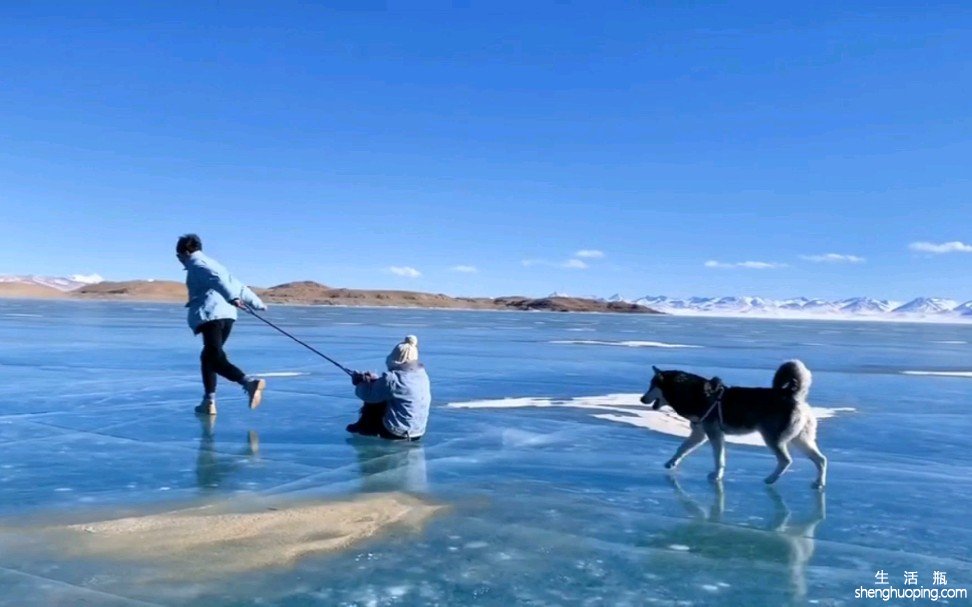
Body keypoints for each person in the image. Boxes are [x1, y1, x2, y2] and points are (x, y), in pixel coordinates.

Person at [176, 233, 267, 415]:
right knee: (209, 356)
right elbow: (238, 285)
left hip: (211, 315)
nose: (179, 260)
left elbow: (219, 281)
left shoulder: (197, 264)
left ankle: (248, 382)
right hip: (226, 316)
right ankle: (209, 401)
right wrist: (256, 303)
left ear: (185, 252)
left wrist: (232, 297)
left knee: (214, 357)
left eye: (178, 256)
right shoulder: (215, 264)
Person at [347, 335, 431, 441]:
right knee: (381, 391)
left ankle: (365, 428)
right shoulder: (422, 375)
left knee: (373, 397)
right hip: (417, 431)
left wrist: (360, 382)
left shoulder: (393, 379)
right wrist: (376, 380)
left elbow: (367, 394)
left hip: (396, 432)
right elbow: (398, 388)